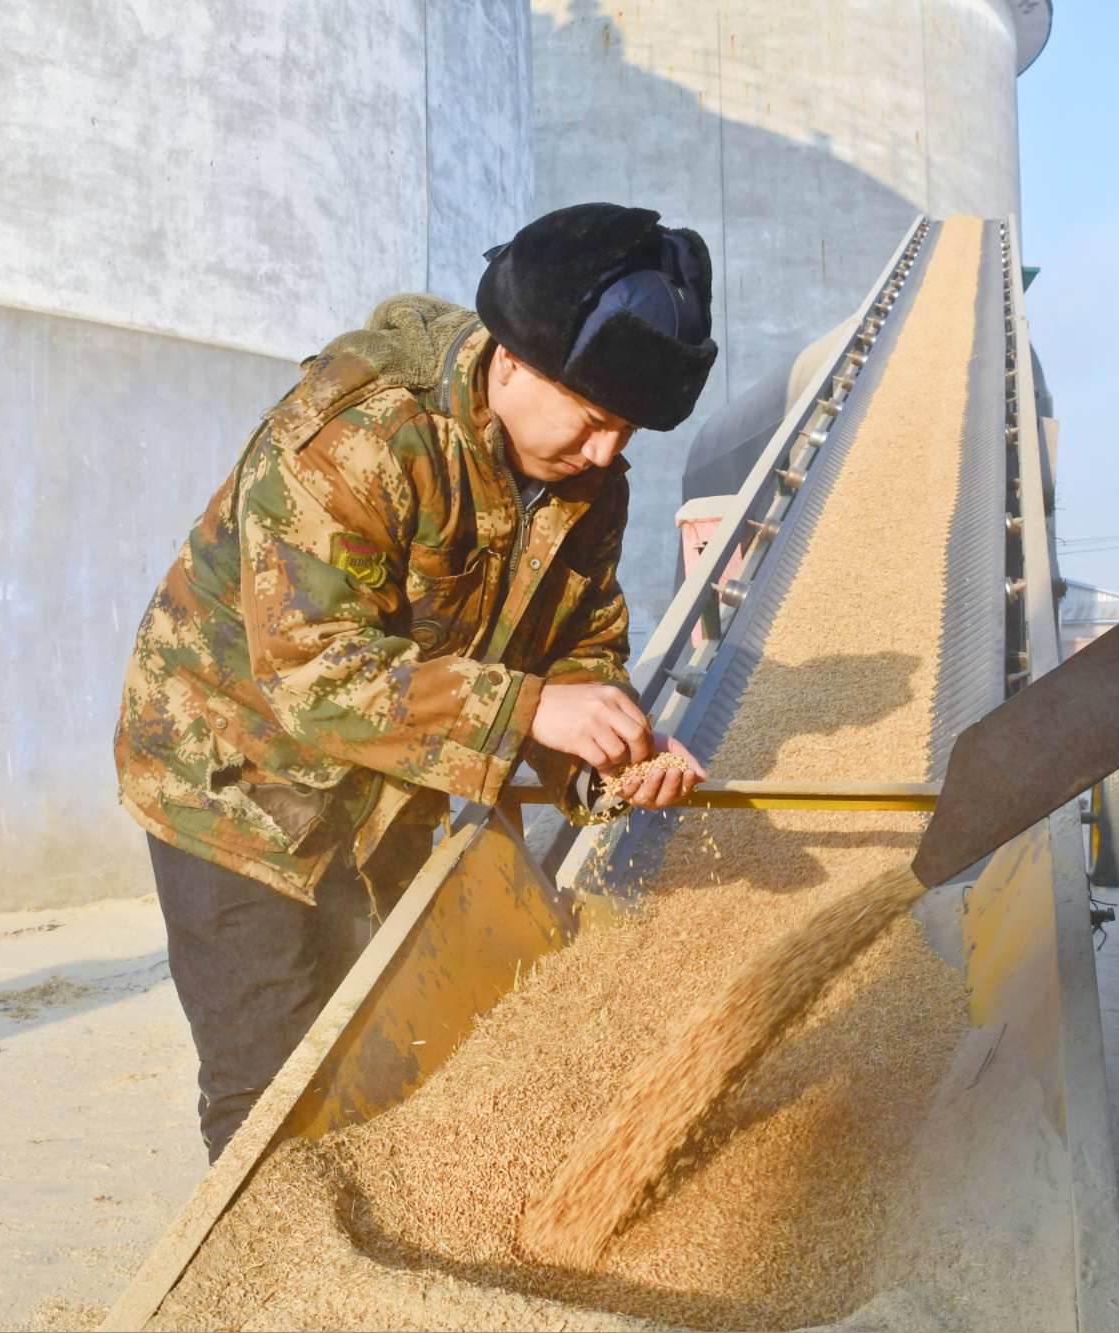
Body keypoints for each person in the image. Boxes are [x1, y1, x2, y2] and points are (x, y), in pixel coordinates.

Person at [115, 203, 717, 1161]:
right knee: (271, 1093)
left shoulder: (589, 482)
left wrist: (609, 759)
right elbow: (314, 673)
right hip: (233, 780)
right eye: (596, 420)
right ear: (513, 363)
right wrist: (530, 709)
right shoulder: (359, 437)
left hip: (389, 786)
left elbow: (583, 647)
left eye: (629, 431)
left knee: (388, 1055)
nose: (608, 453)